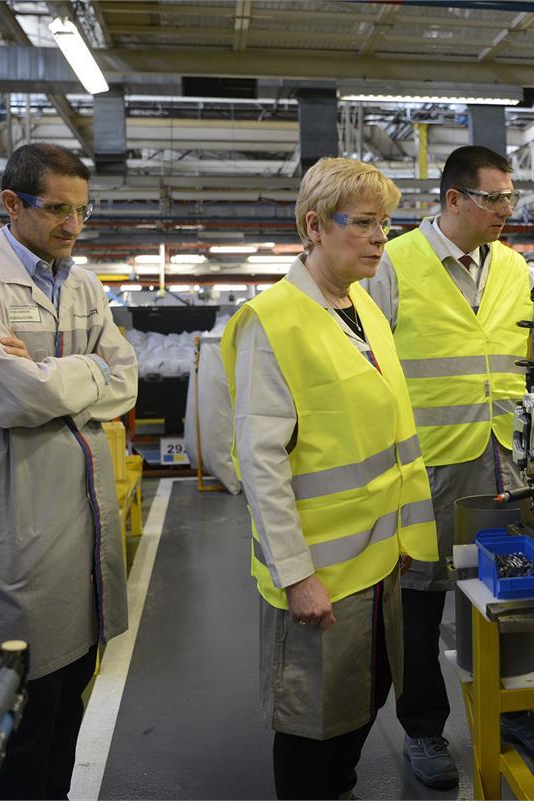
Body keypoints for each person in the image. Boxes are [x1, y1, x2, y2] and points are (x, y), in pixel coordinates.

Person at [220, 157, 439, 800]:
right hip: (318, 574)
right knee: (311, 728)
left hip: (376, 560)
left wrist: (400, 538)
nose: (380, 238)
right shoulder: (273, 321)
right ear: (314, 226)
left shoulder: (363, 309)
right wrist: (296, 574)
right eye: (364, 223)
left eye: (386, 224)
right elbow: (260, 465)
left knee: (357, 710)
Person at [0, 143, 138, 799]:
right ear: (12, 204)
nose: (72, 226)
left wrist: (52, 376)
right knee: (23, 720)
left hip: (85, 529)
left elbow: (126, 382)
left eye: (81, 210)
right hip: (17, 534)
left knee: (70, 707)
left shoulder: (80, 284)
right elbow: (12, 394)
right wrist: (82, 375)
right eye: (56, 209)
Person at [365, 145, 534, 789]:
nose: (507, 210)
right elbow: (368, 362)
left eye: (512, 198)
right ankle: (425, 728)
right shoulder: (393, 263)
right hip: (428, 461)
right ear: (454, 200)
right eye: (494, 198)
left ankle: (517, 711)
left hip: (509, 457)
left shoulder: (514, 266)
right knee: (420, 600)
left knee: (513, 587)